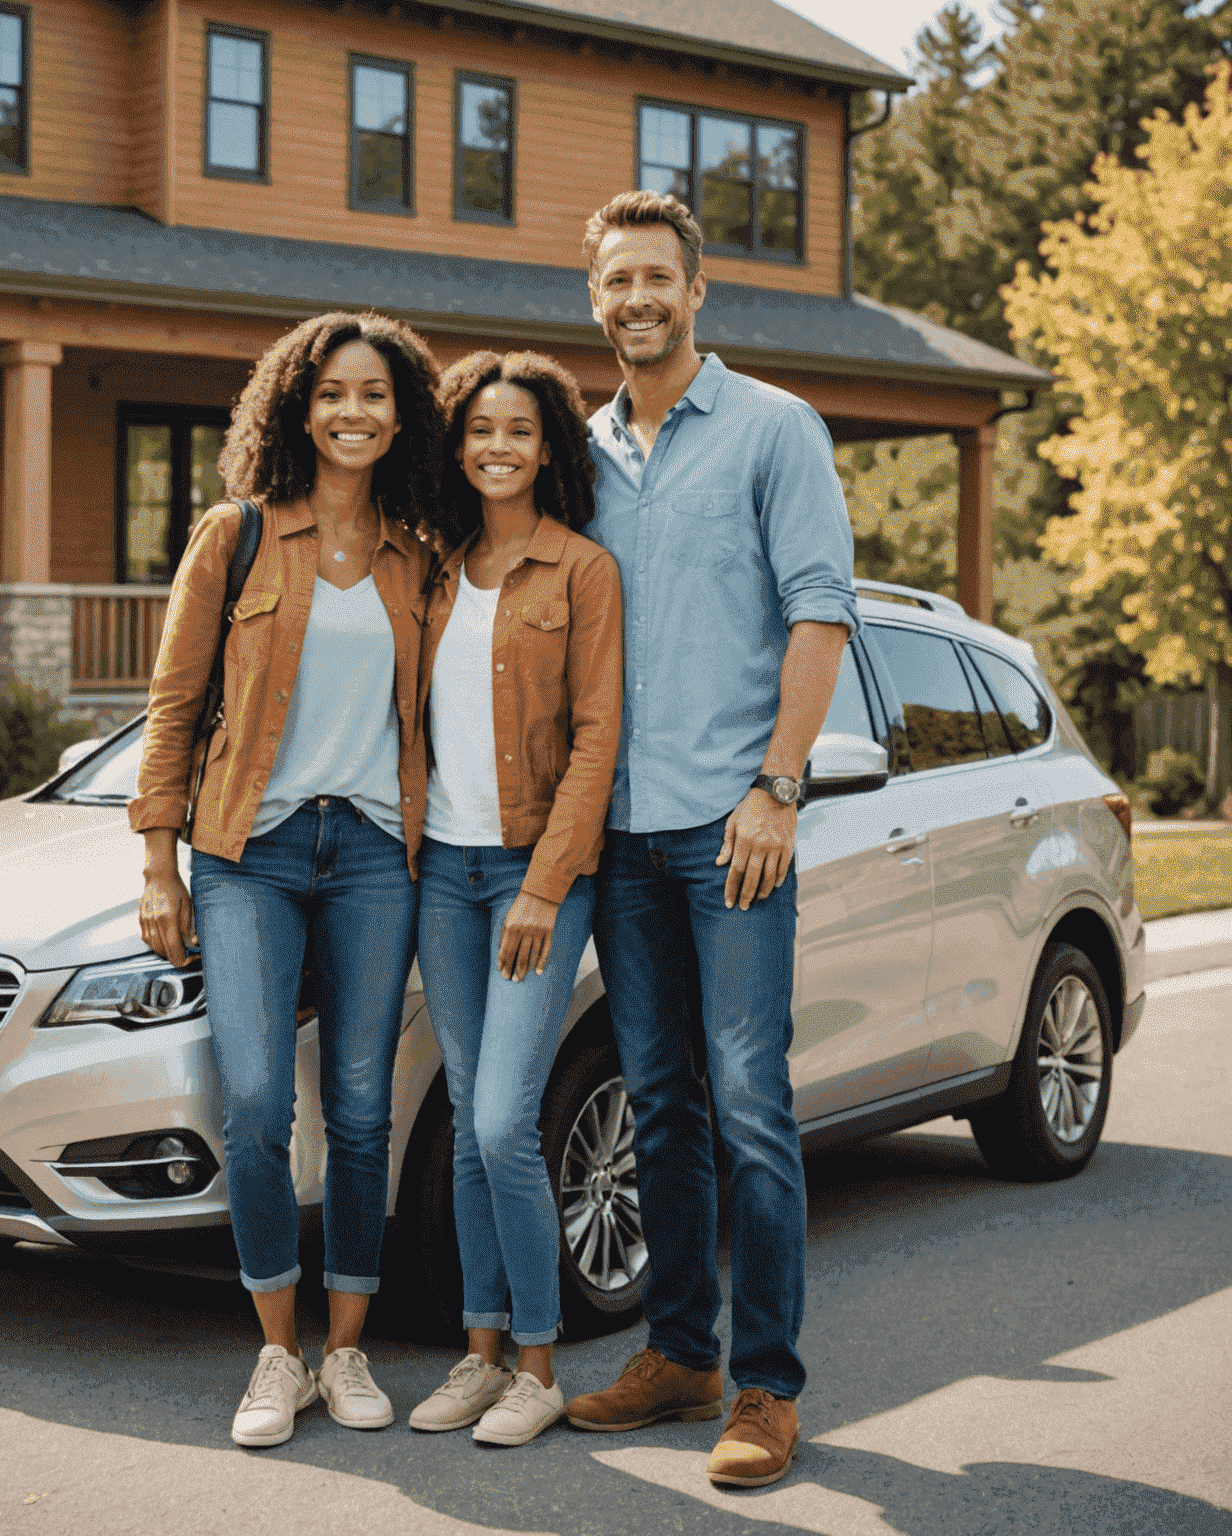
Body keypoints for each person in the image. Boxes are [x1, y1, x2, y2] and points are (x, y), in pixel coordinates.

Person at [561, 192, 858, 1490]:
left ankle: (766, 1387)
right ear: (596, 300)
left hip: (732, 834)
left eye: (655, 280)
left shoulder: (773, 430)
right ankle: (679, 1354)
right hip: (621, 841)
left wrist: (776, 786)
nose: (636, 300)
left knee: (749, 1104)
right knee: (661, 1108)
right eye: (615, 282)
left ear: (698, 293)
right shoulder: (582, 455)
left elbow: (821, 615)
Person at [129, 311, 443, 1450]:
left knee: (361, 1111)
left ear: (402, 413)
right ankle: (276, 1353)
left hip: (373, 855)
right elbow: (175, 706)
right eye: (332, 394)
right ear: (296, 409)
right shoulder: (240, 535)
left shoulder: (422, 550)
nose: (352, 412)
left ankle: (347, 1350)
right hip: (247, 853)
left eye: (374, 394)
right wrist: (158, 863)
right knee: (258, 1104)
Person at [405, 351, 623, 1448]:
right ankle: (479, 1353)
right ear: (458, 444)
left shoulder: (581, 570)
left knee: (502, 1122)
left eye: (520, 431)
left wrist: (545, 884)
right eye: (480, 429)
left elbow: (596, 738)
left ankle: (538, 1364)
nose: (498, 446)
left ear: (551, 449)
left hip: (535, 874)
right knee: (461, 1132)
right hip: (441, 874)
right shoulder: (433, 568)